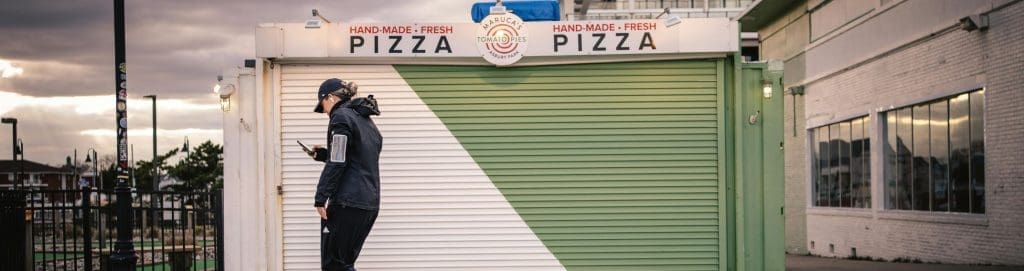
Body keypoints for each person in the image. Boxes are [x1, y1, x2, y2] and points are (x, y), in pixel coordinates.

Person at [307, 78, 382, 271]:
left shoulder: (340, 117)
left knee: (333, 265)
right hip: (368, 204)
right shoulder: (366, 121)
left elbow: (339, 160)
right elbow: (356, 158)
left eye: (322, 106)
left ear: (330, 97)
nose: (324, 112)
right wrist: (325, 154)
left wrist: (320, 197)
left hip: (347, 203)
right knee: (344, 264)